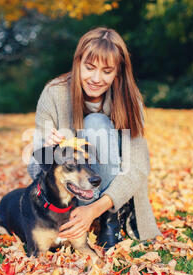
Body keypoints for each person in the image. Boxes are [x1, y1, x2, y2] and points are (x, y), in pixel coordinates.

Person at [27, 27, 161, 249]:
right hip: (70, 197)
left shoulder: (129, 99)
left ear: (118, 71)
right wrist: (47, 151)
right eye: (89, 68)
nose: (96, 79)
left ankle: (109, 220)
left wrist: (94, 209)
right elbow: (34, 170)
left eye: (107, 71)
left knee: (96, 124)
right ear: (77, 62)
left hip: (108, 193)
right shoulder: (53, 93)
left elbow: (138, 167)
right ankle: (81, 218)